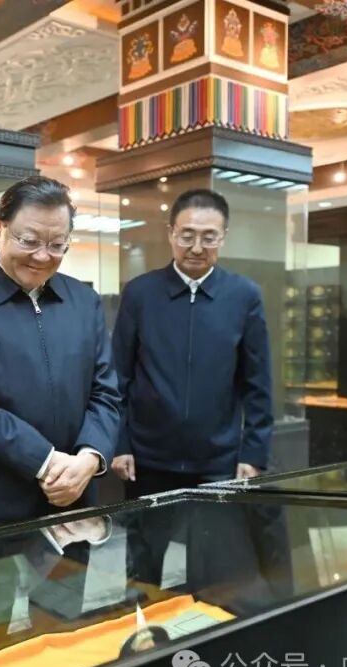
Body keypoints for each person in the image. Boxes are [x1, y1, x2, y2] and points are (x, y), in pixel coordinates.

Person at [0, 176, 121, 532]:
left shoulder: (84, 302)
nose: (42, 256)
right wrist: (44, 461)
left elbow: (106, 392)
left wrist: (89, 458)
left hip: (73, 497)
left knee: (68, 573)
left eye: (57, 245)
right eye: (29, 241)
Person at [111, 188, 272, 496]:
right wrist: (119, 443)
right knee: (148, 530)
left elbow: (258, 383)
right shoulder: (140, 293)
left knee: (214, 530)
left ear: (223, 237)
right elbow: (118, 376)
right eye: (187, 236)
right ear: (171, 233)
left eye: (209, 237)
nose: (197, 248)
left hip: (219, 461)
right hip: (147, 459)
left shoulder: (244, 296)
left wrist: (254, 453)